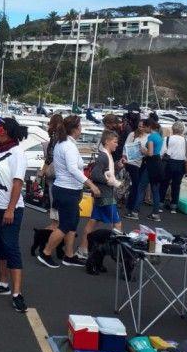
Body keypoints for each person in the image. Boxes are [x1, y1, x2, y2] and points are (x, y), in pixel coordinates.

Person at [38, 116, 101, 269]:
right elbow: (73, 169)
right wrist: (91, 185)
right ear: (75, 129)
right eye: (80, 127)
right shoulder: (68, 146)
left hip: (68, 189)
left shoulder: (63, 143)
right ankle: (45, 253)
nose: (81, 130)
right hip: (67, 190)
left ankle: (69, 255)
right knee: (65, 225)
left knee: (72, 223)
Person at [0, 118, 29, 313]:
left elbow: (17, 183)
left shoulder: (17, 153)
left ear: (6, 132)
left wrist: (10, 209)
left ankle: (17, 293)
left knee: (11, 247)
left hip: (9, 208)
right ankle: (3, 283)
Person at [78, 130, 124, 256]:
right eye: (115, 142)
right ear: (107, 142)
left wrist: (118, 165)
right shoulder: (103, 156)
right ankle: (117, 253)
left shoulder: (106, 155)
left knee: (93, 222)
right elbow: (95, 174)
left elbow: (106, 170)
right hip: (106, 196)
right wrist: (108, 181)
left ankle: (83, 249)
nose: (117, 144)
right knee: (117, 224)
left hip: (102, 195)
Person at [123, 119, 150, 220]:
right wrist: (124, 157)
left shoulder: (148, 137)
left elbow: (148, 151)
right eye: (139, 126)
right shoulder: (132, 134)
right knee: (136, 185)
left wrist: (145, 151)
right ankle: (131, 207)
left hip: (141, 163)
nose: (141, 128)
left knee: (137, 185)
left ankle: (132, 207)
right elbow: (125, 146)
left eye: (143, 126)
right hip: (131, 162)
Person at [160, 121, 187, 213]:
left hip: (168, 163)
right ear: (182, 130)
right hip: (180, 164)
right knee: (176, 185)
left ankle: (160, 204)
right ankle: (174, 206)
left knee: (164, 184)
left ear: (173, 129)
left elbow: (162, 152)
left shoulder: (167, 139)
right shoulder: (185, 140)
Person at [41, 114, 64, 229]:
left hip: (53, 171)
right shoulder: (63, 137)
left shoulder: (54, 137)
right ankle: (59, 221)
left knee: (53, 196)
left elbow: (50, 156)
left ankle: (55, 223)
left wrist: (43, 170)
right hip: (62, 171)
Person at [142, 118, 165, 222]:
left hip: (151, 163)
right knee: (155, 190)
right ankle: (156, 213)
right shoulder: (159, 136)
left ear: (149, 127)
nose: (143, 128)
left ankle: (134, 211)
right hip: (158, 163)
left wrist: (143, 150)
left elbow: (150, 153)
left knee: (141, 187)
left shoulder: (151, 137)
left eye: (144, 126)